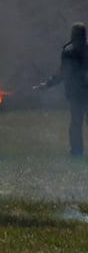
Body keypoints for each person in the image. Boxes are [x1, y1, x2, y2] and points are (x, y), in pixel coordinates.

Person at [35, 22, 88, 157]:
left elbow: (64, 73)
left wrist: (47, 84)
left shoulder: (69, 50)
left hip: (76, 93)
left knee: (76, 123)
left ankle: (77, 152)